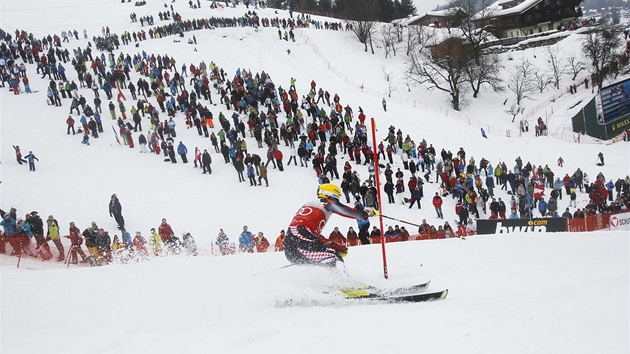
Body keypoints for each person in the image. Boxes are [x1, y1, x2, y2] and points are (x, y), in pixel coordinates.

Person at [284, 183, 377, 268]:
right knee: (333, 258)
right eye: (337, 198)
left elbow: (310, 236)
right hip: (299, 243)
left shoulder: (308, 205)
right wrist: (367, 212)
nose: (337, 201)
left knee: (328, 258)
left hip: (291, 248)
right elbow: (354, 214)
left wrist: (334, 245)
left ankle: (332, 282)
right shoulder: (325, 202)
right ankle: (343, 283)